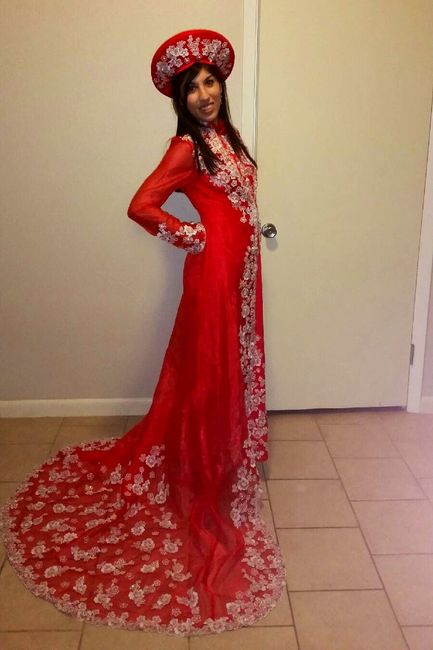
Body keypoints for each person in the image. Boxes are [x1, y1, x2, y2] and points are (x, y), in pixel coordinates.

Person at [0, 29, 286, 636]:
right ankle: (201, 465)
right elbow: (142, 204)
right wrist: (192, 236)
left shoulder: (225, 137)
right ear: (181, 99)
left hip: (240, 274)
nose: (205, 94)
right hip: (212, 275)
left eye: (210, 82)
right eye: (193, 88)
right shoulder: (185, 147)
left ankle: (224, 454)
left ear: (221, 86)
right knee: (206, 370)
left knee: (229, 364)